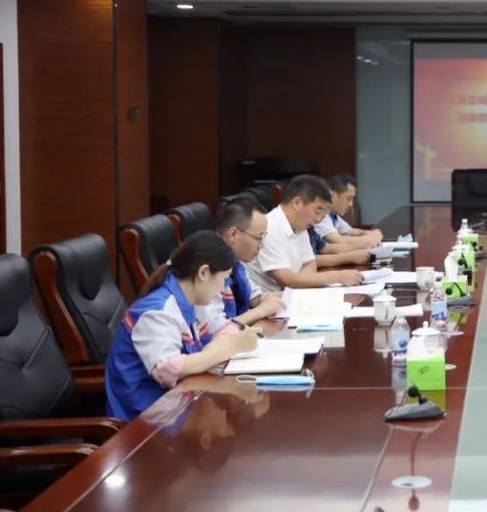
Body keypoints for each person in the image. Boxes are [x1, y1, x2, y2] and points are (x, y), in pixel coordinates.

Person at [105, 231, 260, 422]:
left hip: (178, 406)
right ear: (203, 273)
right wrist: (230, 347)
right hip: (145, 421)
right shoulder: (158, 312)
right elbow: (168, 370)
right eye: (223, 279)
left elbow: (223, 328)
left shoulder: (194, 299)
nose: (222, 289)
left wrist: (223, 346)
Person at [248, 174, 365, 294]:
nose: (318, 220)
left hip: (292, 296)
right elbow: (286, 280)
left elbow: (310, 263)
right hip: (269, 300)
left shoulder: (300, 225)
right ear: (297, 203)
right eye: (317, 211)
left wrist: (301, 281)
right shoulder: (269, 226)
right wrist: (337, 277)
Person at [213, 198, 285, 323]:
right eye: (259, 237)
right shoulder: (208, 270)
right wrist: (260, 311)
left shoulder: (236, 263)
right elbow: (217, 330)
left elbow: (254, 297)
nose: (262, 245)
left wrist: (293, 297)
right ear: (233, 234)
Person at [314, 173, 384, 252]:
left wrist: (370, 233)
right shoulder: (320, 216)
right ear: (333, 194)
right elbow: (338, 240)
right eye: (349, 198)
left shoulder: (333, 215)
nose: (351, 204)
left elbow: (351, 231)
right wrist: (370, 238)